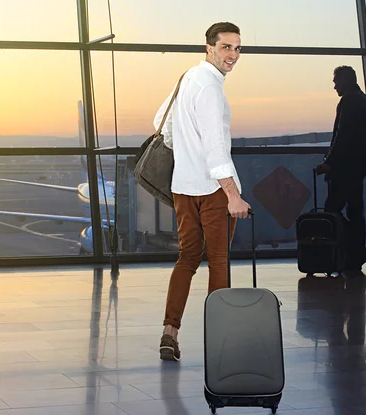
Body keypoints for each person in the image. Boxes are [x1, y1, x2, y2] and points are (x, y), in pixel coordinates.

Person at [153, 22, 251, 361]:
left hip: (183, 187)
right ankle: (220, 339)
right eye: (226, 47)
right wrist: (232, 195)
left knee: (187, 258)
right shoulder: (209, 87)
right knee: (219, 260)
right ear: (209, 48)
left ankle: (170, 333)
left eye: (238, 48)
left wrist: (185, 151)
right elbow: (215, 147)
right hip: (213, 190)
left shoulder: (187, 78)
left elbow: (159, 122)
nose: (233, 55)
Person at [315, 65, 366, 276]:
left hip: (346, 166)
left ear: (346, 80)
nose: (334, 85)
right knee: (355, 210)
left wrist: (330, 161)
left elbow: (343, 135)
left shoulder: (349, 101)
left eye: (336, 80)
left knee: (332, 209)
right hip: (359, 166)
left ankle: (348, 249)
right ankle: (356, 252)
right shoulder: (363, 100)